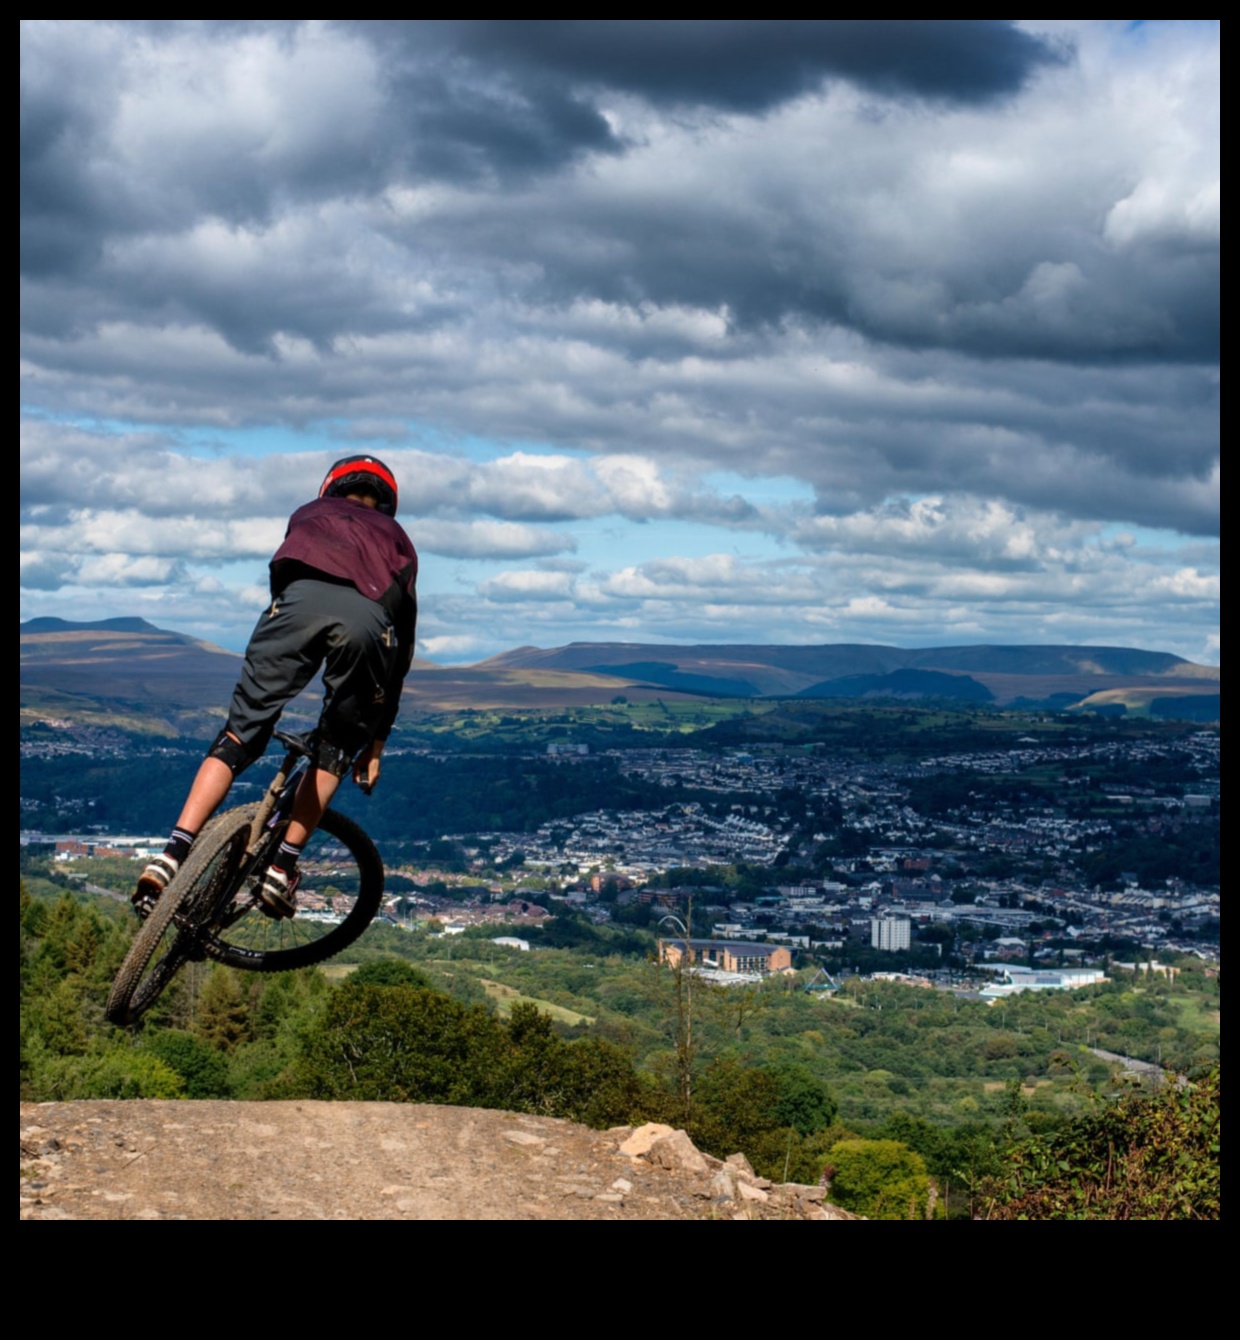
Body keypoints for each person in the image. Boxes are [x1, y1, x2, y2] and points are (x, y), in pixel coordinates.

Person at [133, 454, 417, 921]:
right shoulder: (400, 540)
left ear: (331, 487)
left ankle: (170, 855)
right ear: (387, 501)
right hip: (367, 623)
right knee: (335, 748)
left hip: (291, 608)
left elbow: (281, 580)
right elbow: (400, 655)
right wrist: (376, 743)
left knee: (239, 735)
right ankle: (281, 869)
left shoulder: (307, 514)